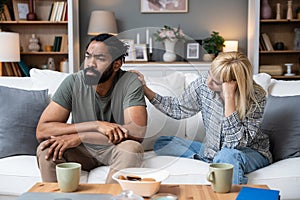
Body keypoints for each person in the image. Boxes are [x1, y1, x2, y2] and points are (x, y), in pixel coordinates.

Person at [132, 52, 272, 184]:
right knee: (163, 143)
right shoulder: (203, 85)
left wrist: (229, 99)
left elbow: (234, 144)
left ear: (233, 85)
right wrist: (145, 88)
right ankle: (214, 159)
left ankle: (226, 176)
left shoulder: (257, 97)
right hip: (213, 150)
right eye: (209, 74)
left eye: (216, 82)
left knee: (227, 156)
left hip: (249, 152)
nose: (208, 83)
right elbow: (178, 109)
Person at [36, 33, 147, 183]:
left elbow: (137, 131)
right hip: (81, 151)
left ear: (116, 64)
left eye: (100, 58)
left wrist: (82, 136)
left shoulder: (129, 82)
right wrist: (96, 125)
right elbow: (43, 130)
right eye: (88, 56)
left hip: (113, 147)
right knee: (46, 149)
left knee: (131, 149)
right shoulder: (73, 82)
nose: (90, 64)